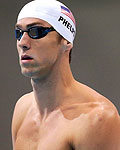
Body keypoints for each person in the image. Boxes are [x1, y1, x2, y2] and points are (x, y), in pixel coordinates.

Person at [12, 0, 120, 149]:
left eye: (35, 31)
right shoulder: (22, 108)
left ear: (66, 41)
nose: (22, 42)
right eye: (19, 33)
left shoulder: (96, 118)